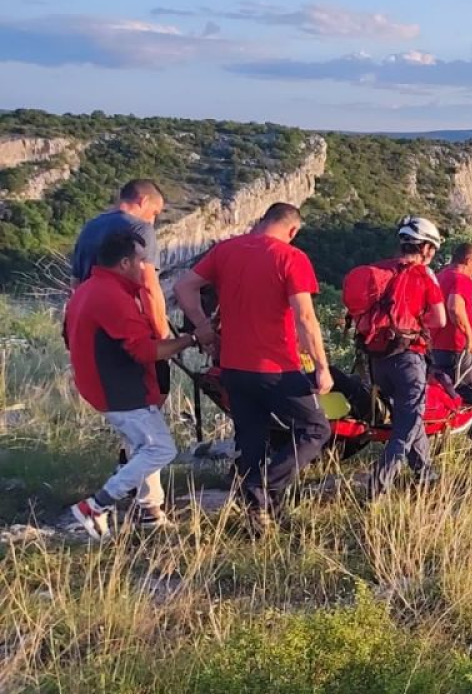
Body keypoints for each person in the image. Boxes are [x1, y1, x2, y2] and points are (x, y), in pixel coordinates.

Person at [175, 203, 332, 524]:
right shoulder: (291, 257)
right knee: (315, 427)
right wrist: (322, 365)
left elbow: (183, 287)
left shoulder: (226, 251)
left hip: (233, 366)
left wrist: (203, 327)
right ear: (292, 231)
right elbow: (304, 316)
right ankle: (266, 487)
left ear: (262, 221)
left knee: (251, 440)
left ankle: (260, 514)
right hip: (277, 367)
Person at [64, 232, 197, 539]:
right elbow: (145, 350)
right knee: (161, 449)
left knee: (142, 447)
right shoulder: (111, 296)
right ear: (124, 262)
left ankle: (150, 513)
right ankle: (95, 506)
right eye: (141, 260)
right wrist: (189, 339)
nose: (145, 266)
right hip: (119, 389)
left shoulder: (87, 289)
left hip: (100, 383)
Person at [364, 218, 447, 497]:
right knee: (406, 425)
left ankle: (426, 475)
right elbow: (440, 319)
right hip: (408, 359)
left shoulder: (376, 270)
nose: (432, 255)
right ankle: (379, 484)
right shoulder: (423, 275)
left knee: (409, 418)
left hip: (377, 360)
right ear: (423, 248)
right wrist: (414, 320)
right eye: (432, 248)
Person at [71, 180, 171, 339]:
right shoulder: (141, 229)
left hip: (90, 327)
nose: (152, 221)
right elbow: (148, 286)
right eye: (154, 213)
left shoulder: (90, 227)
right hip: (124, 328)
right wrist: (162, 333)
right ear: (143, 201)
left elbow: (76, 283)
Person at [431, 242, 472, 406]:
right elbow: (455, 308)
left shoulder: (439, 276)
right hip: (455, 347)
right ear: (468, 260)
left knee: (445, 387)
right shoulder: (461, 279)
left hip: (435, 344)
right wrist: (469, 338)